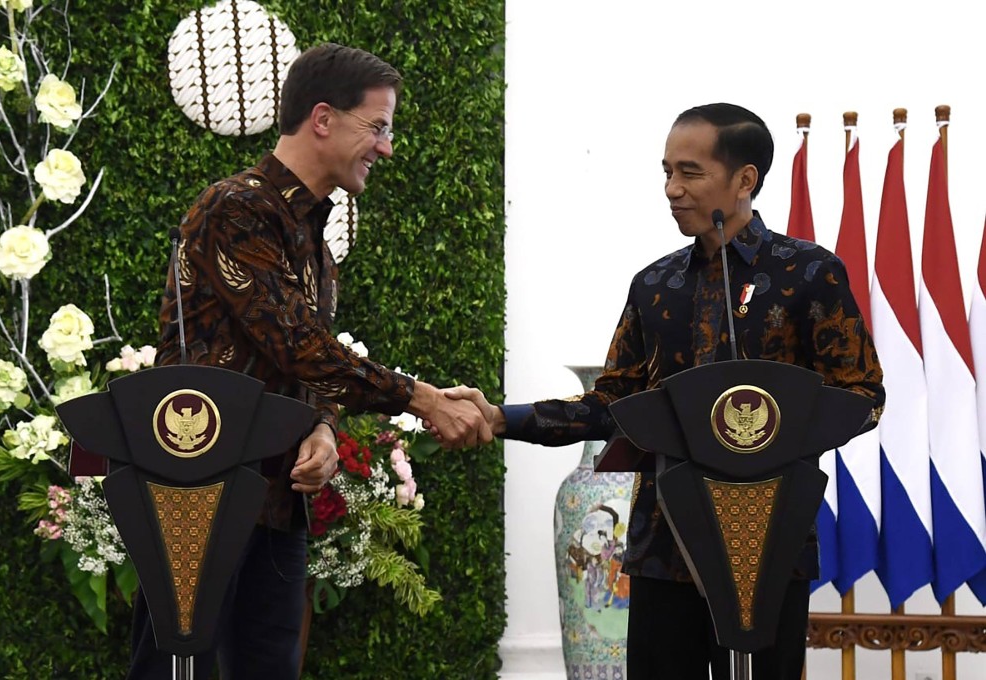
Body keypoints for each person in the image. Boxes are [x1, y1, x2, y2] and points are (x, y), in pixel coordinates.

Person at [442, 103, 885, 680]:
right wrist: (504, 417)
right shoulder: (654, 285)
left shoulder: (808, 274)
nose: (672, 189)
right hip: (664, 547)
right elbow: (611, 404)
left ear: (745, 179)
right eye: (666, 172)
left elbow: (862, 395)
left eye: (690, 172)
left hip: (769, 542)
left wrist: (769, 441)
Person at [128, 43, 492, 679]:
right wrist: (424, 398)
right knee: (170, 670)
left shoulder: (316, 247)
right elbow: (298, 342)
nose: (387, 147)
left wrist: (323, 427)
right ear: (323, 118)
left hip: (278, 501)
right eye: (377, 127)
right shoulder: (234, 208)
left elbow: (304, 366)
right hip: (200, 493)